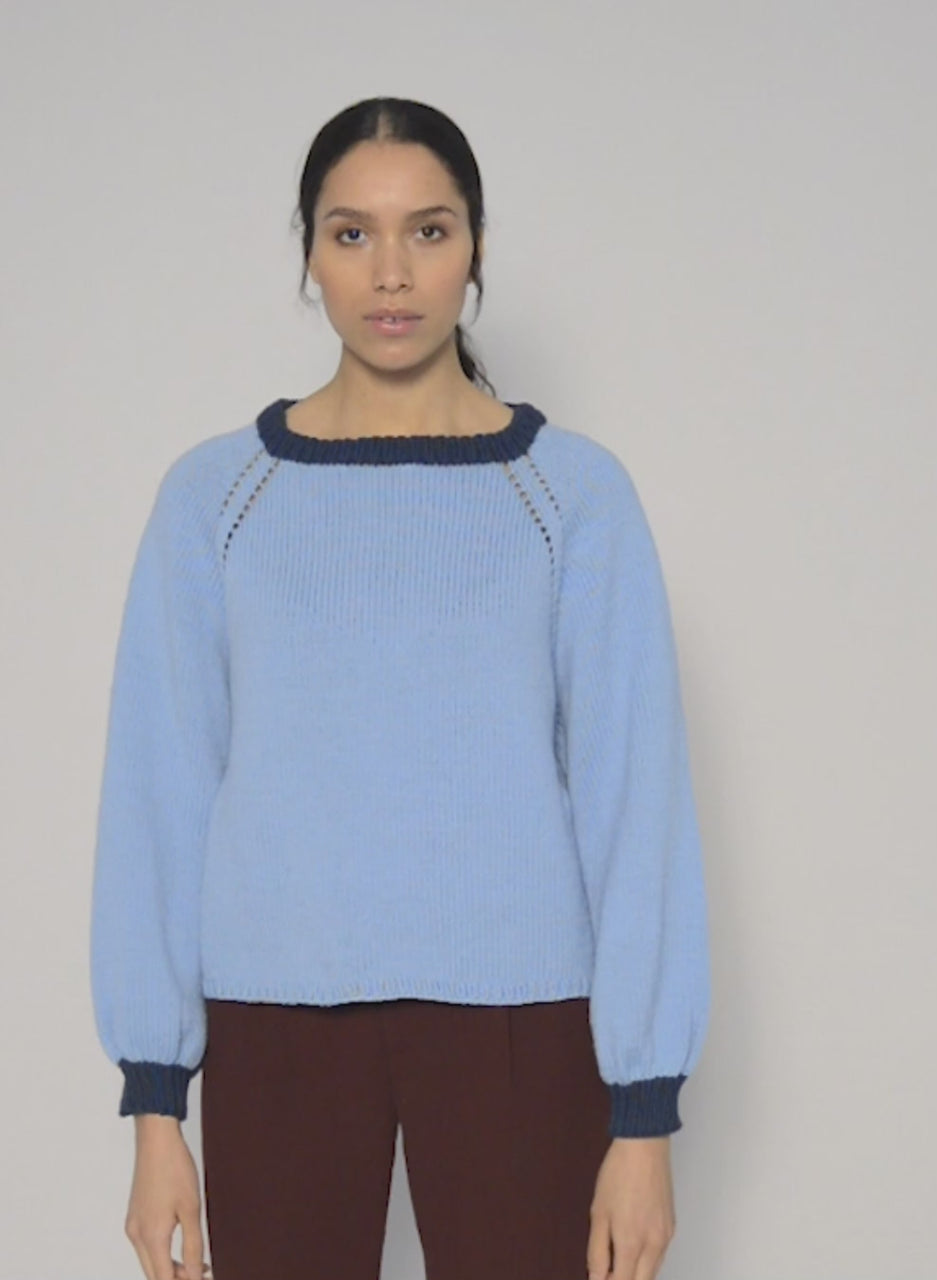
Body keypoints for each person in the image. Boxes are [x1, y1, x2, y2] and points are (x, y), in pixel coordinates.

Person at [89, 96, 711, 1280]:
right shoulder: (214, 499)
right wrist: (155, 1105)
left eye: (428, 231)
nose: (390, 272)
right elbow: (158, 795)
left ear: (475, 247)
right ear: (308, 254)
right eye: (351, 233)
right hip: (275, 1024)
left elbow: (636, 802)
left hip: (524, 1023)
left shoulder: (572, 496)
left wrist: (644, 1115)